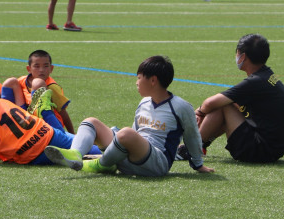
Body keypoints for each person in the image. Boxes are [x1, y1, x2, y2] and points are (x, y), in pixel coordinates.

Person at [44, 55, 214, 176]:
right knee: (91, 122)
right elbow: (136, 133)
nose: (136, 82)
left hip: (157, 163)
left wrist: (198, 164)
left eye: (139, 78)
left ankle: (101, 164)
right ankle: (75, 155)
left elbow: (192, 136)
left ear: (153, 80)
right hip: (133, 156)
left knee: (125, 133)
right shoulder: (144, 102)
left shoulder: (180, 106)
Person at [188, 33, 284, 164]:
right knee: (232, 104)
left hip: (260, 151)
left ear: (243, 56)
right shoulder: (265, 76)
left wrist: (199, 112)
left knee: (223, 104)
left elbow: (210, 103)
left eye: (237, 52)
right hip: (274, 149)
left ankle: (190, 150)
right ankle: (202, 145)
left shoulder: (256, 81)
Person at [1, 49, 74, 133]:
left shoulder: (51, 86)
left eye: (46, 66)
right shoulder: (21, 81)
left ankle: (58, 134)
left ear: (51, 68)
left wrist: (72, 133)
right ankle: (6, 130)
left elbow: (63, 112)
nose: (41, 70)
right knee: (10, 82)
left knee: (38, 84)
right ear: (29, 69)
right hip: (28, 119)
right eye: (37, 66)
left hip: (49, 125)